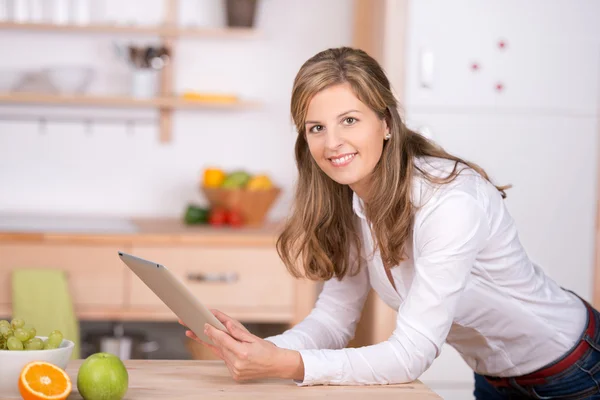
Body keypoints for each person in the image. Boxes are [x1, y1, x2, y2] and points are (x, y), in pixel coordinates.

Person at [182, 47, 600, 399]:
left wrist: (287, 363)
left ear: (385, 123)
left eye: (349, 120)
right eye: (316, 128)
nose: (332, 143)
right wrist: (256, 350)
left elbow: (411, 354)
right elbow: (333, 319)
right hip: (494, 378)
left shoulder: (450, 201)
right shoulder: (348, 201)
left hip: (575, 369)